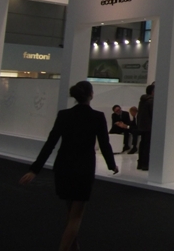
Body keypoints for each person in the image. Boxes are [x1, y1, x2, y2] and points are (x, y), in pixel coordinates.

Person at [19, 80, 119, 251]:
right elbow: (104, 144)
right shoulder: (97, 117)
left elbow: (50, 143)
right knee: (76, 215)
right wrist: (112, 165)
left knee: (70, 210)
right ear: (91, 95)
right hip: (84, 168)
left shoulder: (64, 115)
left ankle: (74, 246)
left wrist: (35, 170)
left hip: (63, 166)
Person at [136, 83, 155, 171]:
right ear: (152, 92)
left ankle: (140, 163)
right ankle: (145, 164)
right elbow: (153, 114)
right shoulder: (151, 101)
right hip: (149, 126)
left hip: (142, 126)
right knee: (147, 145)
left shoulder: (142, 101)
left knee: (142, 144)